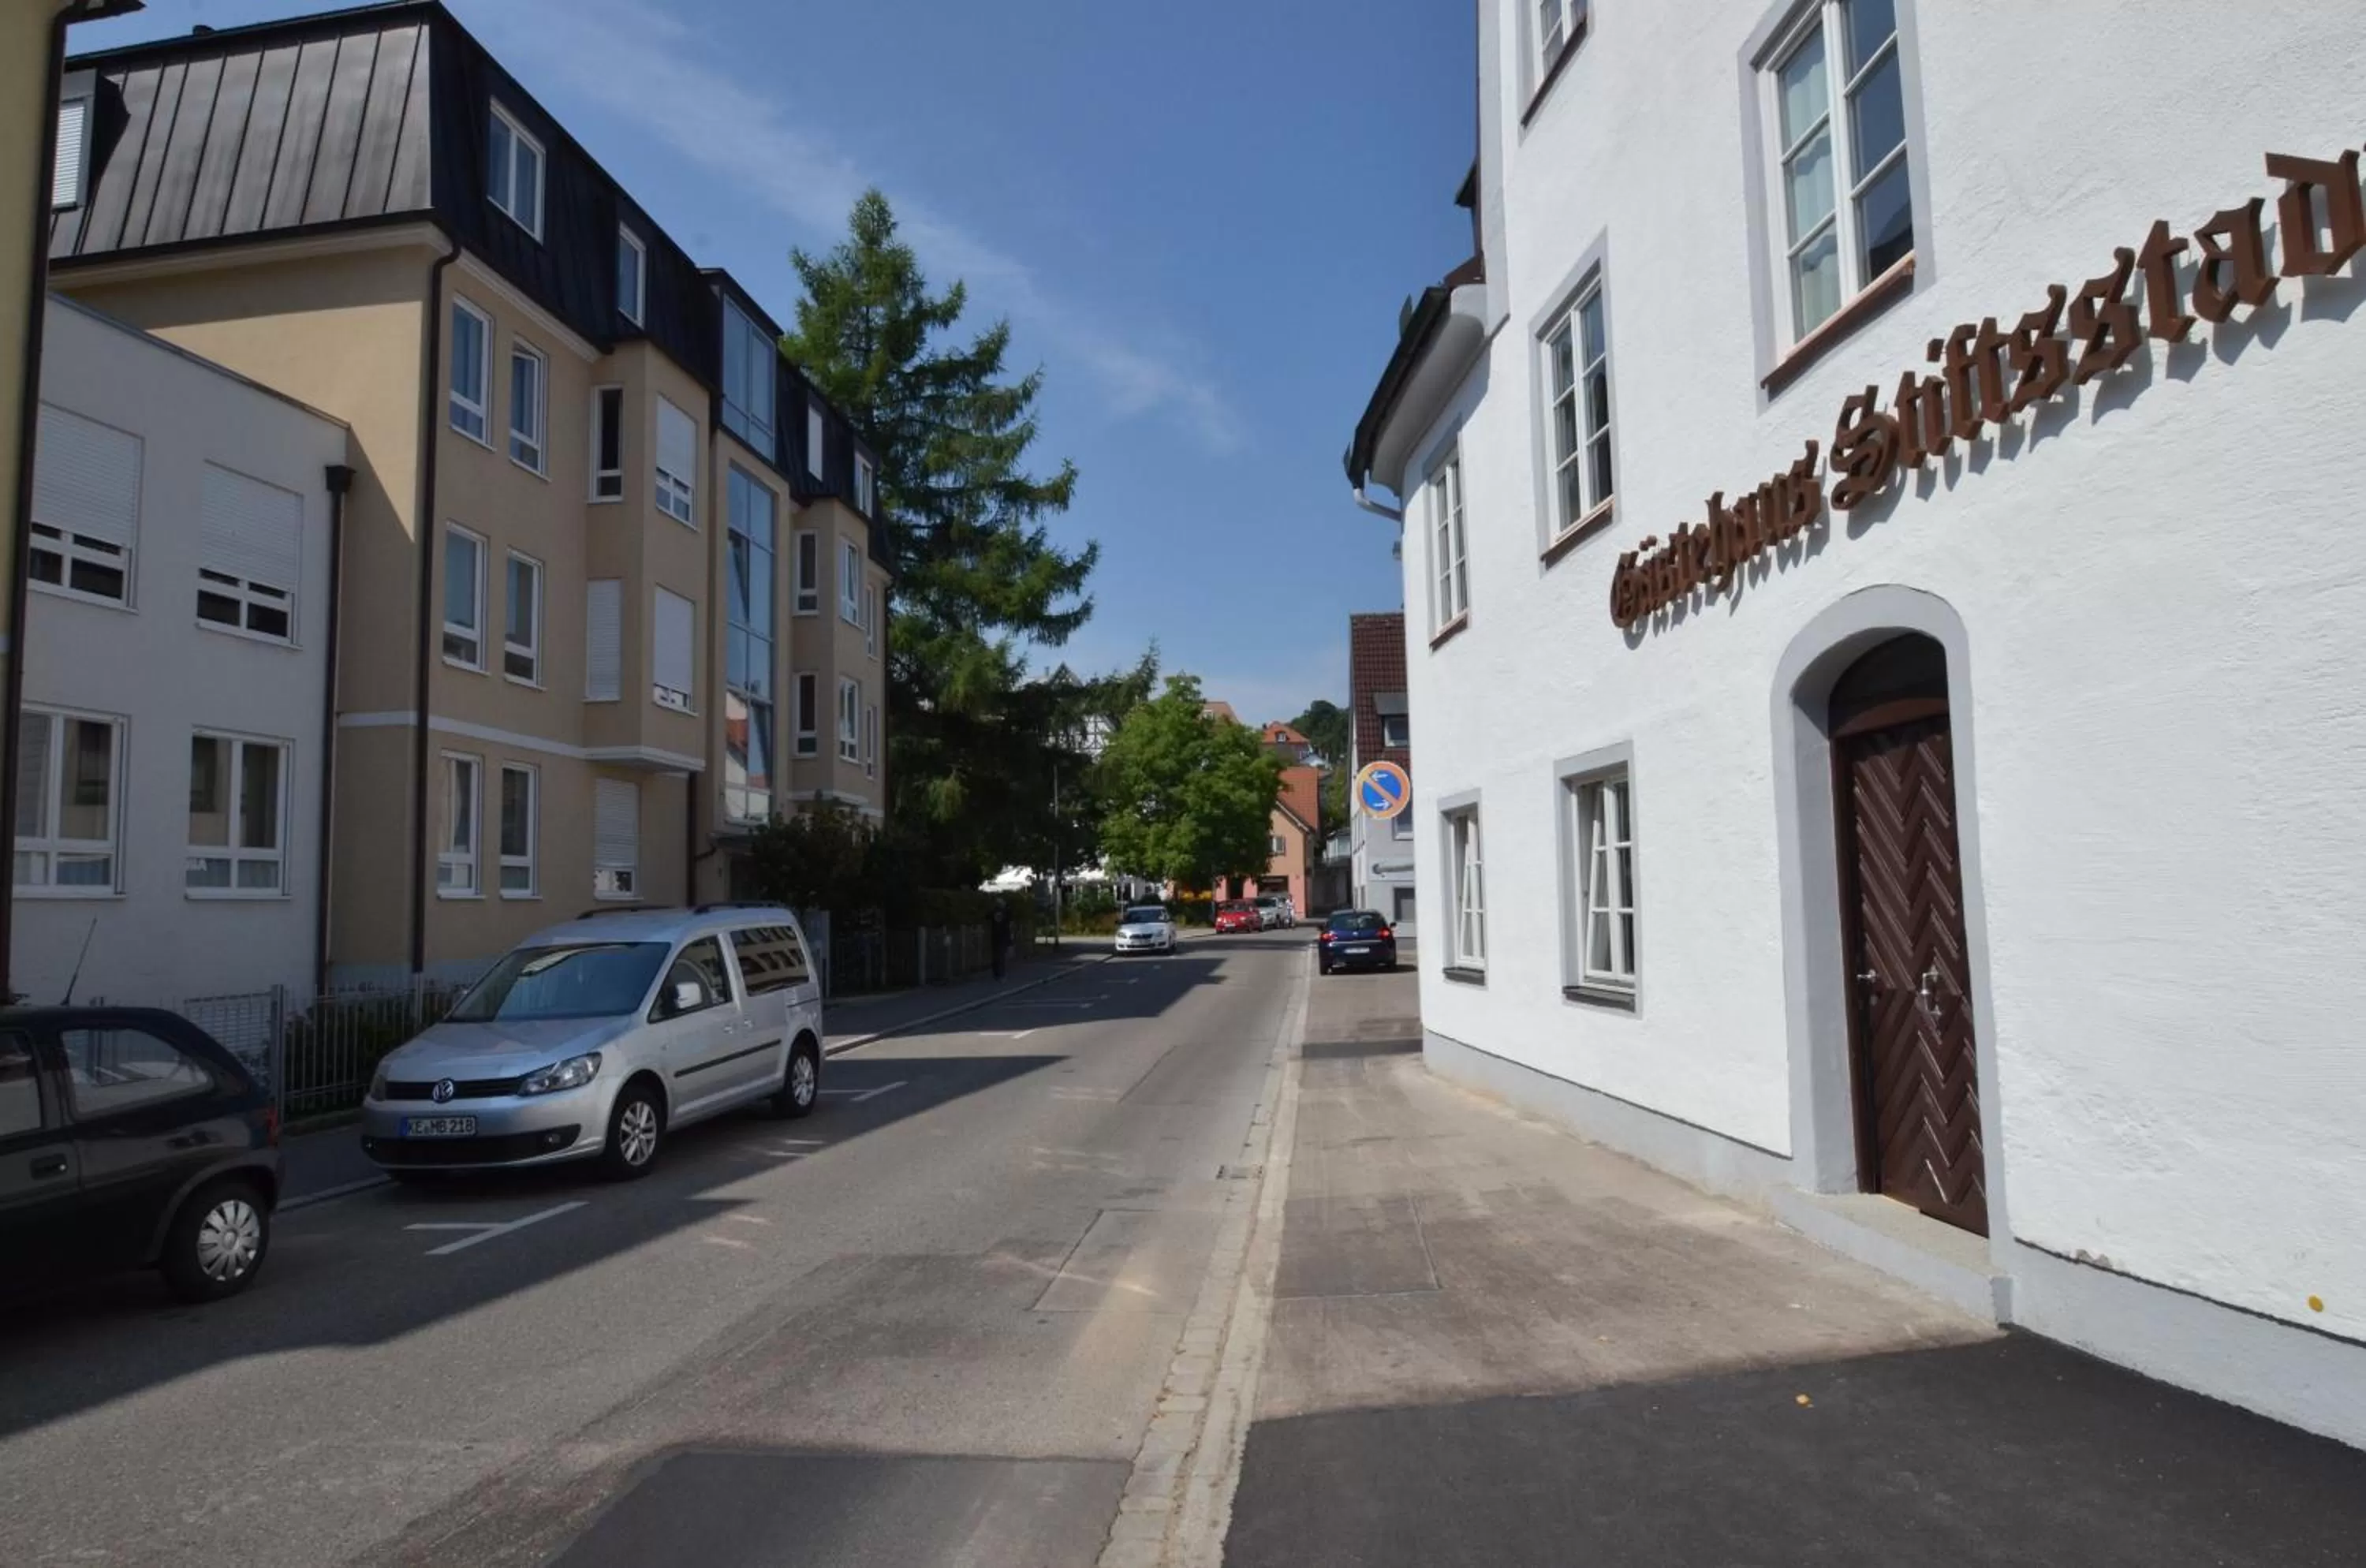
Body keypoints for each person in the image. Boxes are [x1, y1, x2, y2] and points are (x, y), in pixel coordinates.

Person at [990, 899, 1013, 980]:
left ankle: (996, 973)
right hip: (1003, 937)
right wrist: (1010, 940)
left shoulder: (993, 912)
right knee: (1001, 957)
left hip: (995, 936)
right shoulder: (1005, 913)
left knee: (996, 956)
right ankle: (1001, 975)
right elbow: (1008, 926)